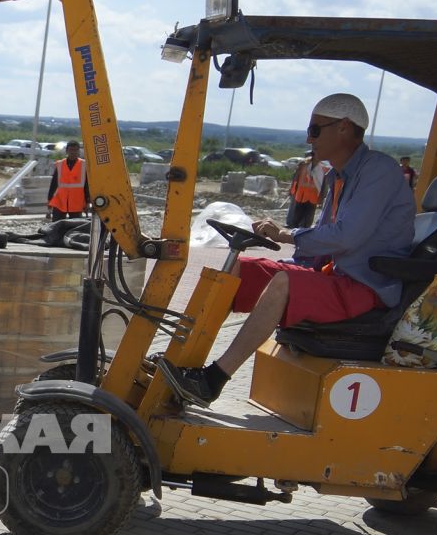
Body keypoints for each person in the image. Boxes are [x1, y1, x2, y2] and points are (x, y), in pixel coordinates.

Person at [158, 92, 416, 408]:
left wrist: (286, 234)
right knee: (242, 269)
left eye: (316, 129)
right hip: (337, 278)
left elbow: (346, 236)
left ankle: (213, 381)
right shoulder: (338, 176)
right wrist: (289, 257)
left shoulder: (379, 171)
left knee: (285, 283)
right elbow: (321, 244)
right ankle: (180, 365)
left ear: (345, 128)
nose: (309, 137)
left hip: (366, 288)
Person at [46, 141, 87, 216]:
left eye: (75, 150)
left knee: (75, 226)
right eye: (71, 150)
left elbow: (87, 185)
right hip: (60, 202)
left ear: (78, 151)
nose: (73, 152)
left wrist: (87, 201)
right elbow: (54, 183)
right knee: (56, 226)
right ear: (67, 151)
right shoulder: (60, 164)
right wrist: (49, 199)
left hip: (76, 202)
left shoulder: (84, 165)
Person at [286, 156, 322, 229]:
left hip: (312, 196)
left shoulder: (320, 169)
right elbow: (296, 178)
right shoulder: (304, 165)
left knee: (308, 215)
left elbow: (322, 184)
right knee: (297, 212)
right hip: (301, 194)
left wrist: (321, 197)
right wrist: (292, 188)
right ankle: (293, 226)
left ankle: (303, 227)